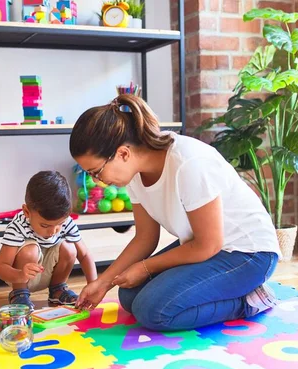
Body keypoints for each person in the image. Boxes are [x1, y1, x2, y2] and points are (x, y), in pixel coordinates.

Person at [69, 94, 281, 332]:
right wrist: (103, 283)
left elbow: (208, 245)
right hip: (209, 249)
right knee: (128, 295)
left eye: (95, 171)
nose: (96, 180)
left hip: (249, 254)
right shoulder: (135, 173)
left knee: (153, 311)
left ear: (123, 154)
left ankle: (249, 299)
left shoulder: (188, 163)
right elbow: (145, 238)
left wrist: (146, 267)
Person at [0, 171, 97, 310]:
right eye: (45, 225)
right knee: (30, 251)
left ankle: (58, 289)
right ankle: (19, 293)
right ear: (26, 212)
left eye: (59, 224)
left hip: (48, 273)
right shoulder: (18, 225)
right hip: (21, 276)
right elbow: (0, 267)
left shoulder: (66, 221)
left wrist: (94, 285)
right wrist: (20, 274)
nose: (53, 231)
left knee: (70, 247)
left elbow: (84, 255)